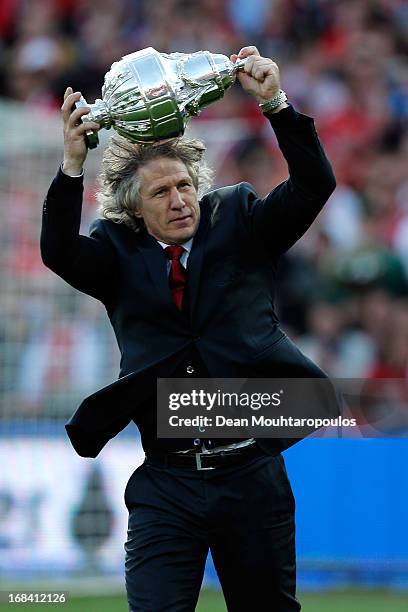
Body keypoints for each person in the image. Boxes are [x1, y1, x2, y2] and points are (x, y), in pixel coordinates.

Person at [41, 46, 336, 612]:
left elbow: (314, 183)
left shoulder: (241, 221)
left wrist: (275, 103)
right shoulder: (115, 254)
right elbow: (57, 251)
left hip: (253, 474)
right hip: (166, 482)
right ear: (132, 208)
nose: (179, 200)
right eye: (160, 192)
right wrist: (72, 165)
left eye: (184, 185)